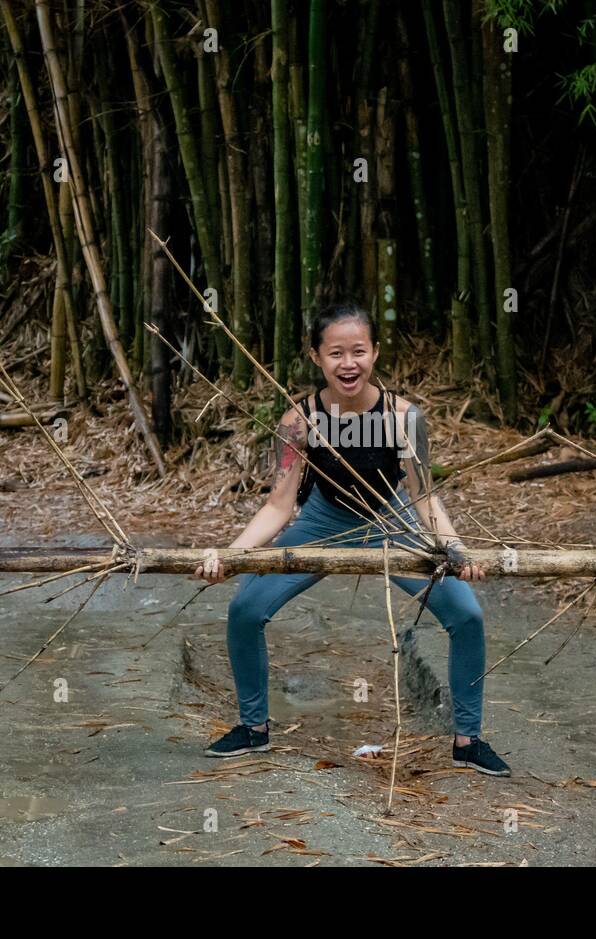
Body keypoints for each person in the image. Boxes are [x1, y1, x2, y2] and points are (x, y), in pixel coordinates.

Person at [193, 303, 511, 776]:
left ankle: (468, 739)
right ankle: (252, 727)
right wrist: (233, 556)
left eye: (359, 351)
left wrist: (454, 549)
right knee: (244, 609)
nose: (349, 363)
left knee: (466, 614)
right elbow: (278, 506)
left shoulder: (404, 418)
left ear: (376, 353)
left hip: (392, 520)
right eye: (336, 352)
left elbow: (424, 498)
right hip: (324, 522)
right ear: (316, 357)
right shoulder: (299, 421)